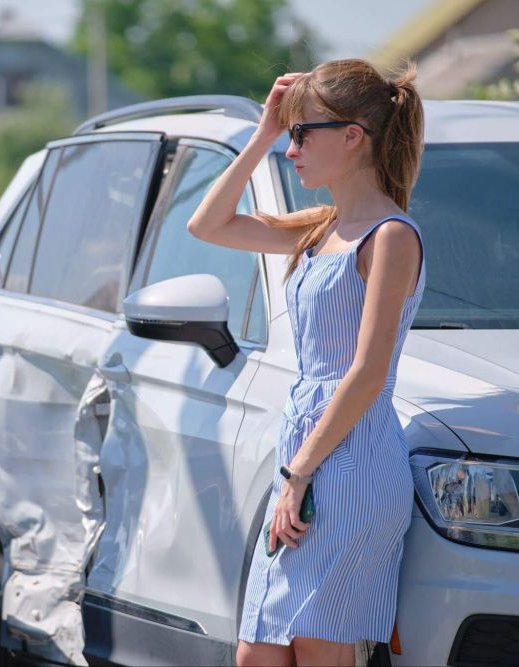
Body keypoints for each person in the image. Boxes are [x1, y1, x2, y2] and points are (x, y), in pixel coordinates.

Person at [185, 58, 426, 667]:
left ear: (352, 137)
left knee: (318, 650)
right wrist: (262, 132)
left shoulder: (390, 236)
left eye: (301, 133)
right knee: (257, 655)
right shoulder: (322, 229)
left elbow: (368, 371)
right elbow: (206, 224)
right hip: (306, 453)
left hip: (351, 462)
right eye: (289, 134)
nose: (291, 150)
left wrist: (298, 475)